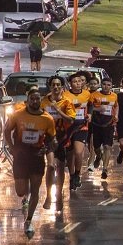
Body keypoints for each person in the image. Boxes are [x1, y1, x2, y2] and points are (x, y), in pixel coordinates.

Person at [4, 87, 56, 238]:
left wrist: (47, 148)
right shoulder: (17, 115)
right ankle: (24, 197)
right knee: (21, 191)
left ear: (41, 100)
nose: (35, 101)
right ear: (27, 101)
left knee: (35, 190)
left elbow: (53, 139)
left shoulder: (47, 119)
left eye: (37, 99)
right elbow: (7, 130)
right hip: (21, 157)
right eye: (32, 99)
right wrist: (12, 148)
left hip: (36, 157)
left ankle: (29, 220)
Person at [40, 75, 75, 212]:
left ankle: (59, 195)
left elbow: (71, 120)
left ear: (62, 87)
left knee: (60, 168)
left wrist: (58, 110)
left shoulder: (67, 102)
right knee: (50, 166)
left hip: (62, 137)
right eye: (53, 85)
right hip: (48, 138)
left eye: (58, 85)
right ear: (50, 87)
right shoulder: (44, 101)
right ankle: (49, 195)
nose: (55, 87)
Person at [88, 78, 118, 179]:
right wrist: (98, 109)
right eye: (104, 84)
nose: (106, 86)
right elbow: (90, 108)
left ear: (111, 86)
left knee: (107, 147)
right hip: (96, 125)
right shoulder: (94, 95)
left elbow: (116, 106)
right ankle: (99, 156)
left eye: (108, 85)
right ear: (101, 85)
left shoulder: (114, 96)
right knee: (96, 147)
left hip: (108, 125)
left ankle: (105, 169)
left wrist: (116, 115)